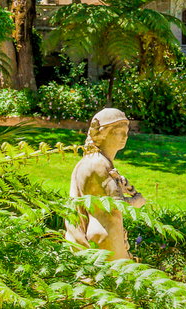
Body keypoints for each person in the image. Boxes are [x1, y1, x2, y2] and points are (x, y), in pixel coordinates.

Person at [65, 107, 145, 259]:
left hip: (108, 233)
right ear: (103, 133)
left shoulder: (98, 161)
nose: (125, 137)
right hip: (106, 237)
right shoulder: (98, 163)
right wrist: (136, 201)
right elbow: (113, 206)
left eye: (126, 132)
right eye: (119, 132)